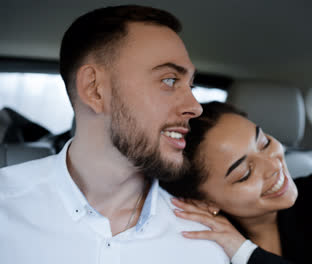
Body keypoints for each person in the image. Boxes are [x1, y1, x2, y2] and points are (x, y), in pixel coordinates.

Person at [0, 5, 229, 264]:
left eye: (191, 85)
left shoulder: (207, 246)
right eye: (169, 80)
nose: (195, 107)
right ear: (95, 90)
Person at [160, 102, 312, 264]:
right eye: (244, 173)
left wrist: (245, 254)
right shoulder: (196, 244)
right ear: (203, 202)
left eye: (264, 142)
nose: (273, 166)